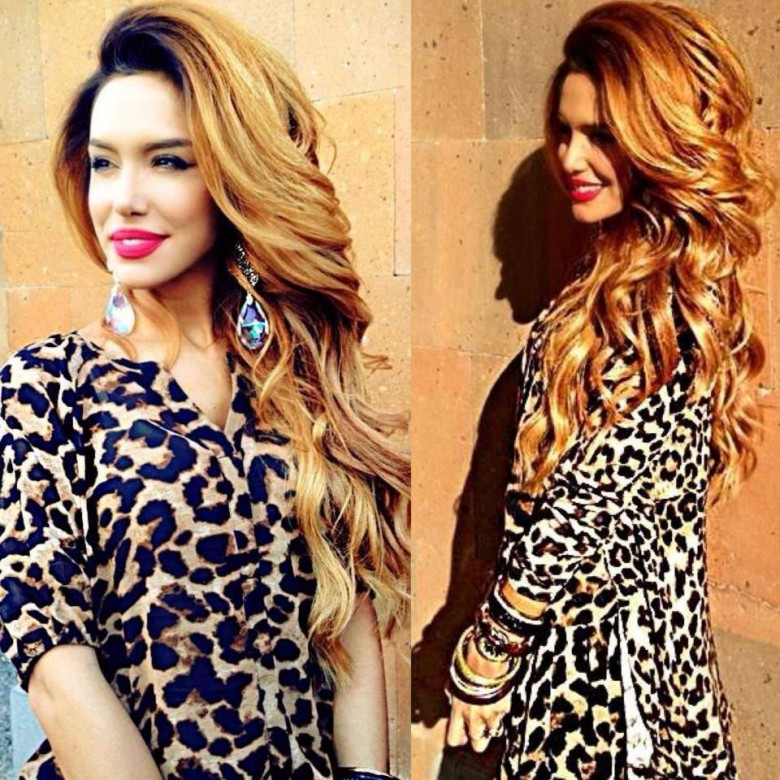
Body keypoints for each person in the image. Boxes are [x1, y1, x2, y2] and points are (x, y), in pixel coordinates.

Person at [0, 3, 409, 779]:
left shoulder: (293, 376)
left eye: (168, 161)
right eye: (104, 163)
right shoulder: (44, 388)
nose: (123, 198)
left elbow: (346, 619)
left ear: (234, 177)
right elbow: (55, 669)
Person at [444, 1, 776, 778]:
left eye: (602, 136)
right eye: (564, 131)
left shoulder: (662, 304)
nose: (571, 158)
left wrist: (486, 651)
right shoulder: (629, 278)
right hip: (603, 673)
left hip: (615, 700)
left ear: (659, 141)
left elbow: (581, 509)